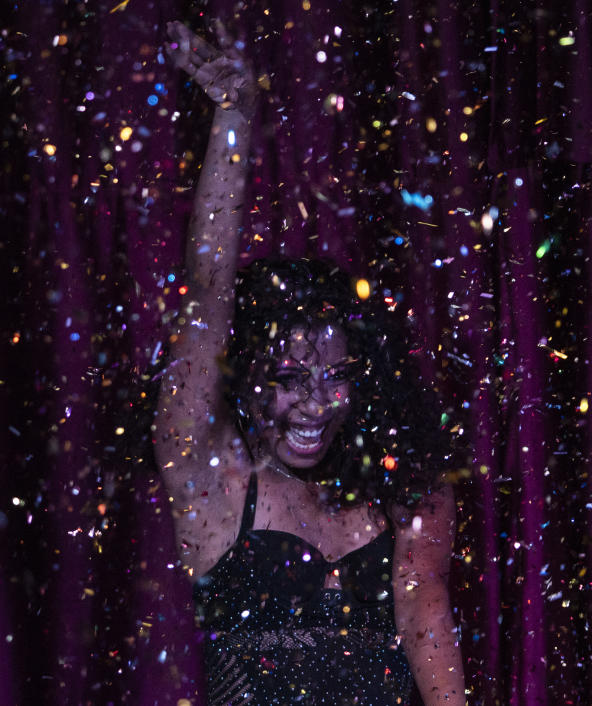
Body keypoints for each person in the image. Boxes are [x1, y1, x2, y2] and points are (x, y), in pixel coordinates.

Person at [154, 20, 466, 706]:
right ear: (248, 380)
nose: (315, 403)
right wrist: (235, 116)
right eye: (289, 379)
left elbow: (424, 616)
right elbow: (209, 286)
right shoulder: (215, 482)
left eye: (335, 377)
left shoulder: (403, 485)